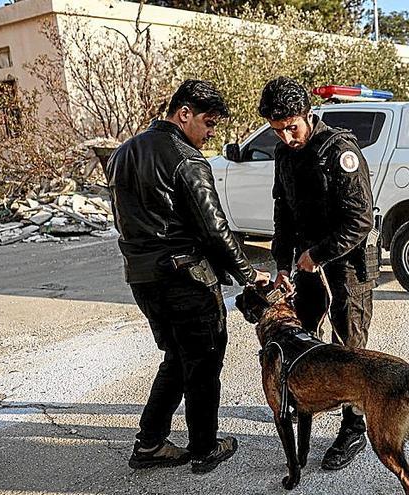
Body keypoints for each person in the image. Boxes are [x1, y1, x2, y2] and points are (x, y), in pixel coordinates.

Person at [105, 80, 270, 474]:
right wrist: (249, 275)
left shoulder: (122, 153)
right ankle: (204, 447)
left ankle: (150, 444)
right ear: (184, 114)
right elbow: (214, 229)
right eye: (208, 123)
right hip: (185, 279)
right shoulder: (187, 159)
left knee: (177, 359)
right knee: (203, 363)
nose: (211, 133)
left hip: (143, 278)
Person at [258, 76, 376, 471]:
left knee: (349, 348)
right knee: (304, 341)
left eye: (292, 126)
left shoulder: (339, 149)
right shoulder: (284, 154)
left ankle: (354, 426)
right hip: (307, 265)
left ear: (308, 115)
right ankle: (305, 400)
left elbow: (360, 220)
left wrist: (318, 254)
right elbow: (283, 214)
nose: (287, 137)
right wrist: (281, 263)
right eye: (278, 130)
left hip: (346, 266)